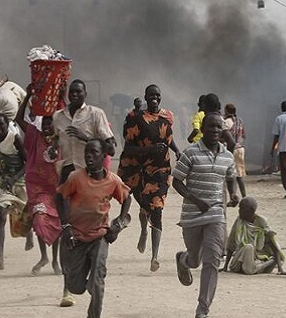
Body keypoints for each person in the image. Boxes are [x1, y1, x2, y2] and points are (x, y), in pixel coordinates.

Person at [52, 79, 117, 306]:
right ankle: (67, 288)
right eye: (73, 91)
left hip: (90, 181)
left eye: (79, 91)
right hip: (67, 178)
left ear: (85, 94)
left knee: (89, 230)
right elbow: (53, 144)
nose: (75, 95)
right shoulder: (58, 117)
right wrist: (51, 149)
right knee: (66, 229)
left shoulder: (95, 114)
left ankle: (91, 275)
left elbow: (111, 147)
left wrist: (85, 137)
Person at [172, 112, 238, 318]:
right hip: (192, 216)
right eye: (211, 126)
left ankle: (203, 310)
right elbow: (176, 182)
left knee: (212, 260)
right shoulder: (190, 153)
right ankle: (184, 260)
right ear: (202, 128)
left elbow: (230, 177)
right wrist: (196, 200)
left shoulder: (227, 156)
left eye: (219, 127)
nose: (215, 130)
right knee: (195, 260)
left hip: (216, 215)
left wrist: (234, 194)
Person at [57, 138, 131, 318]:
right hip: (77, 236)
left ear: (103, 156)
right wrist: (66, 225)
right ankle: (87, 284)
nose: (89, 156)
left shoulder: (113, 181)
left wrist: (119, 222)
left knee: (98, 280)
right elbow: (59, 197)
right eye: (87, 153)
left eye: (94, 152)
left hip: (100, 236)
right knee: (75, 286)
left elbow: (127, 197)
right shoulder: (76, 178)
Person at [117, 84, 180, 272]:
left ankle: (155, 256)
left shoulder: (168, 116)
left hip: (160, 170)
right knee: (145, 205)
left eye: (157, 95)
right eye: (151, 95)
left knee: (157, 209)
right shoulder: (136, 119)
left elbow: (168, 137)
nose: (155, 98)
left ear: (161, 97)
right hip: (138, 170)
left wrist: (176, 151)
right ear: (145, 97)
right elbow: (128, 148)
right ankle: (144, 229)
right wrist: (149, 149)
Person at [15, 86, 62, 275]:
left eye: (51, 123)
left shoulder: (61, 139)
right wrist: (27, 96)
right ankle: (44, 256)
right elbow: (19, 119)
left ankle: (55, 261)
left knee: (57, 223)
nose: (47, 127)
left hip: (58, 189)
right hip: (39, 189)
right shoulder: (35, 135)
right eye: (45, 123)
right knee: (40, 219)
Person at [0, 113, 30, 270]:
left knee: (28, 215)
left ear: (7, 125)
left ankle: (28, 235)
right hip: (2, 183)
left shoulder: (15, 138)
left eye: (1, 125)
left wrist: (14, 178)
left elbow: (27, 162)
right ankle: (0, 257)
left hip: (18, 181)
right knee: (1, 214)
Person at [220, 196, 286, 275]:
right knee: (249, 248)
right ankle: (256, 267)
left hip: (256, 258)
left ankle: (257, 266)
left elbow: (272, 244)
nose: (239, 211)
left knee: (252, 260)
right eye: (239, 208)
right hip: (239, 261)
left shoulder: (261, 222)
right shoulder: (239, 222)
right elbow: (231, 244)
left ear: (251, 211)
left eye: (242, 209)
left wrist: (280, 269)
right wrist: (225, 266)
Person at [270, 101, 286, 198]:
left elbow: (276, 135)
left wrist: (272, 148)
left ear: (281, 108)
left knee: (284, 171)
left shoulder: (279, 119)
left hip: (283, 148)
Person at [224, 103, 247, 198]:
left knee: (231, 174)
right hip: (241, 148)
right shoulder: (240, 121)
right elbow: (244, 135)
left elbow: (224, 134)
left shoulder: (227, 121)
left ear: (227, 111)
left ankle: (233, 196)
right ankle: (244, 195)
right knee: (239, 173)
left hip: (232, 149)